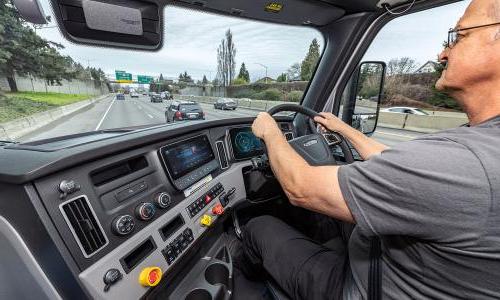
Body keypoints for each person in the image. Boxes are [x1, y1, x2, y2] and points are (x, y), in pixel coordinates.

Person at [240, 0, 500, 299]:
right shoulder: (481, 145)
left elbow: (301, 189)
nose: (443, 52)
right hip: (395, 267)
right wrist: (345, 129)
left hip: (360, 288)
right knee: (324, 219)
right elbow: (399, 165)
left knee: (258, 226)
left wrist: (271, 133)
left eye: (460, 36)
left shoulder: (468, 161)